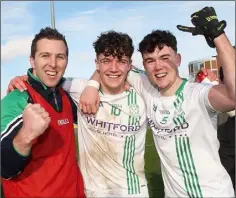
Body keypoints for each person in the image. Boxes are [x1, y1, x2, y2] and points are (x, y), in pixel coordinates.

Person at [79, 6, 235, 197]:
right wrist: (92, 85)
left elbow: (232, 97)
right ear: (143, 65)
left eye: (165, 58)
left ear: (178, 59)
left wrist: (218, 36)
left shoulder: (197, 94)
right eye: (150, 60)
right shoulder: (145, 85)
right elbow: (113, 66)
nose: (158, 66)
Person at [6, 31, 150, 197]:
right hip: (91, 192)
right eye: (106, 61)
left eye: (122, 62)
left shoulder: (143, 94)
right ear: (96, 63)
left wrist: (93, 83)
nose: (114, 68)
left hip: (132, 192)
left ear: (130, 65)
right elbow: (45, 77)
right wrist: (21, 79)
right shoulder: (77, 88)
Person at [1, 27, 85, 197]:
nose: (53, 64)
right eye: (45, 55)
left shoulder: (66, 96)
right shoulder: (15, 100)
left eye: (60, 57)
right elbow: (5, 169)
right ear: (32, 61)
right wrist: (25, 136)